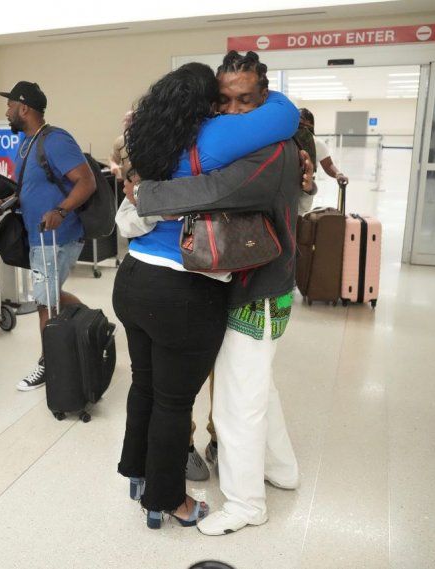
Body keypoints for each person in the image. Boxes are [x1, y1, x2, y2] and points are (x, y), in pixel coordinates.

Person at [113, 60, 299, 530]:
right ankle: (166, 500)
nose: (233, 111)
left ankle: (137, 474)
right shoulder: (217, 138)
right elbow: (285, 116)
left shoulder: (153, 138)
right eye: (223, 100)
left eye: (245, 100)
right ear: (205, 105)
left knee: (146, 385)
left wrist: (145, 195)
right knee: (177, 402)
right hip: (181, 288)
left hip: (132, 277)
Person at [0, 81, 96, 391]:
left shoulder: (55, 140)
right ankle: (92, 321)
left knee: (45, 304)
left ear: (24, 108)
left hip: (58, 236)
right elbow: (35, 184)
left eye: (10, 105)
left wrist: (61, 210)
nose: (7, 111)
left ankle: (48, 365)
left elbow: (87, 181)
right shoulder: (27, 142)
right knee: (49, 296)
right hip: (37, 237)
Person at [297, 108, 349, 215]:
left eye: (301, 119)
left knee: (299, 218)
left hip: (305, 187)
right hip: (285, 187)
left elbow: (328, 165)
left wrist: (338, 174)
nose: (298, 121)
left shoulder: (317, 143)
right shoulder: (286, 138)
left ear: (310, 123)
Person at [109, 111, 133, 182]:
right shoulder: (120, 141)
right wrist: (113, 166)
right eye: (125, 120)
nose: (126, 123)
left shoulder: (146, 140)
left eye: (129, 120)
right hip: (127, 184)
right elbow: (112, 159)